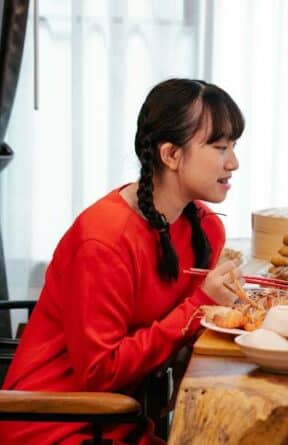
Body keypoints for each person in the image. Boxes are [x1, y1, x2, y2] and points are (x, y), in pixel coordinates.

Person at [1, 78, 245, 444]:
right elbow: (99, 373)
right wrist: (200, 305)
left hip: (121, 417)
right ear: (171, 155)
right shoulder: (103, 239)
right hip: (56, 418)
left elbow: (183, 334)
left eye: (234, 146)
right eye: (220, 147)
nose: (234, 162)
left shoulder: (206, 228)